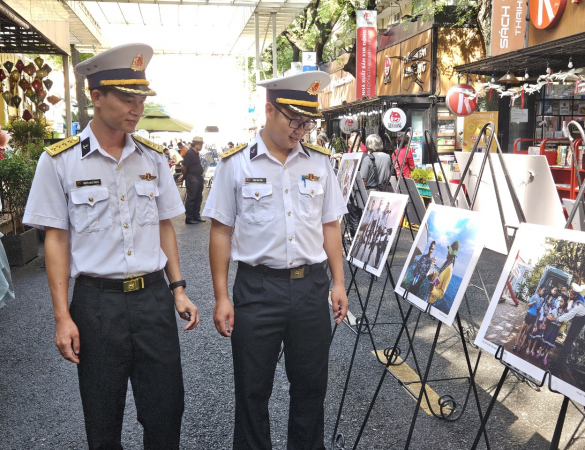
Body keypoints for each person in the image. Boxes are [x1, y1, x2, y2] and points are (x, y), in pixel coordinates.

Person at [22, 43, 199, 450]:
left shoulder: (152, 158)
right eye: (126, 98)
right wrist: (62, 316)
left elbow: (164, 227)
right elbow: (57, 239)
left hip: (153, 298)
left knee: (166, 414)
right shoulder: (60, 162)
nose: (136, 108)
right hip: (97, 305)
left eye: (141, 98)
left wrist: (178, 289)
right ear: (96, 96)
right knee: (103, 423)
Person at [203, 71, 348, 450]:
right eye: (294, 121)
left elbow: (330, 224)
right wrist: (221, 296)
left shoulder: (319, 162)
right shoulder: (236, 164)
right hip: (256, 288)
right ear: (269, 110)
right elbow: (220, 231)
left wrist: (338, 282)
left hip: (310, 286)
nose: (301, 130)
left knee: (310, 388)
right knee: (252, 391)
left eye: (307, 122)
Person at [556, 283, 585, 361]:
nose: (570, 295)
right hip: (577, 317)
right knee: (569, 335)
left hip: (581, 320)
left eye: (571, 295)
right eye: (570, 293)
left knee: (570, 338)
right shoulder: (576, 299)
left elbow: (569, 315)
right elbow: (571, 309)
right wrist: (568, 309)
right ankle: (564, 351)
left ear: (576, 295)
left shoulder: (579, 304)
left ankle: (563, 357)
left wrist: (558, 319)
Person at [181, 136, 206, 224]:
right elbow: (184, 166)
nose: (202, 146)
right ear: (196, 144)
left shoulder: (195, 153)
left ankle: (196, 215)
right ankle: (189, 217)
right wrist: (184, 176)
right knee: (191, 198)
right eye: (201, 144)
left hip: (198, 176)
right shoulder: (190, 153)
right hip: (192, 177)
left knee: (198, 197)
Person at [514, 286, 546, 352]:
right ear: (539, 289)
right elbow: (528, 305)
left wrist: (539, 307)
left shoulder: (541, 300)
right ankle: (516, 345)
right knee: (522, 330)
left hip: (533, 317)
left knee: (526, 332)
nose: (543, 292)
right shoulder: (534, 296)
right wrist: (534, 302)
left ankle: (520, 346)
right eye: (543, 290)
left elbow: (539, 311)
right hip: (528, 315)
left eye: (544, 291)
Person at [540, 294, 568, 365]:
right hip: (551, 327)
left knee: (550, 342)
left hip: (555, 329)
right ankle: (541, 352)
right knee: (545, 339)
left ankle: (545, 357)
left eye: (561, 301)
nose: (560, 303)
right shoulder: (555, 309)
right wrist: (554, 319)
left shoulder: (564, 313)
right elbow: (549, 316)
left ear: (564, 303)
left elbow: (561, 321)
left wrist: (554, 319)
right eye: (560, 301)